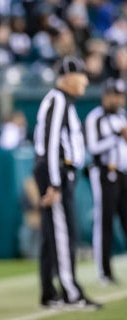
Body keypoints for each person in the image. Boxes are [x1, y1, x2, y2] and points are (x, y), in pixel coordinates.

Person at [32, 56, 101, 310]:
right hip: (56, 172)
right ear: (68, 77)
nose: (84, 80)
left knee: (53, 235)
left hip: (58, 171)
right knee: (63, 234)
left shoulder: (63, 102)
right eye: (81, 75)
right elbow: (50, 144)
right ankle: (71, 293)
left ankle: (49, 293)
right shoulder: (58, 100)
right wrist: (54, 183)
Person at [85, 77, 127, 285]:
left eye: (120, 96)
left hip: (123, 174)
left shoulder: (122, 116)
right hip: (103, 174)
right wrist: (117, 135)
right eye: (114, 95)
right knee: (105, 222)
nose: (118, 100)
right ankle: (104, 271)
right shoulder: (95, 118)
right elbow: (93, 147)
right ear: (105, 96)